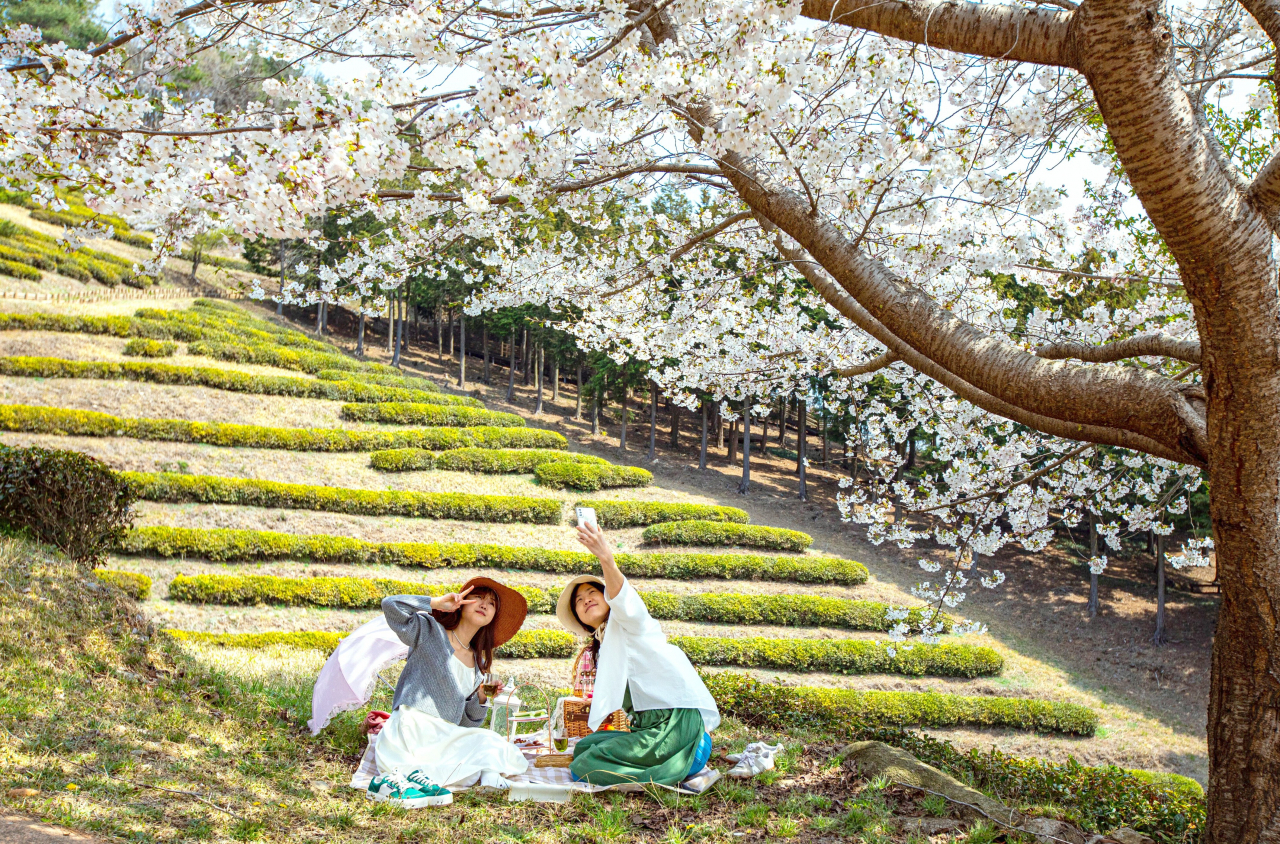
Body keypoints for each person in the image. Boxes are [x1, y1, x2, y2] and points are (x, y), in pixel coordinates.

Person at [557, 521, 719, 787]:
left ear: (608, 598)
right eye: (578, 601)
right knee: (584, 747)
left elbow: (624, 598)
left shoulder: (630, 623)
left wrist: (605, 557)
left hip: (675, 729)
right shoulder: (605, 643)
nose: (585, 599)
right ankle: (673, 763)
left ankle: (681, 768)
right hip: (649, 730)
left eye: (592, 593)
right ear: (581, 620)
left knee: (582, 767)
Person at [365, 577, 530, 807]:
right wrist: (435, 603)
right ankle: (477, 772)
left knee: (493, 741)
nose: (484, 604)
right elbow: (390, 605)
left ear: (493, 617)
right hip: (412, 727)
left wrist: (481, 697)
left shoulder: (478, 666)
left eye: (491, 603)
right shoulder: (430, 631)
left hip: (444, 737)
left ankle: (485, 775)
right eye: (479, 597)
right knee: (425, 761)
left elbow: (465, 724)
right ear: (462, 602)